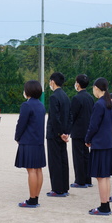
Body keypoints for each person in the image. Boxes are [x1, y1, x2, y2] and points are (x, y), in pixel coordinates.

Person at [86, 77, 112, 215]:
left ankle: (104, 206)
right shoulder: (111, 103)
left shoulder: (99, 104)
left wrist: (88, 139)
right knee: (106, 176)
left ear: (96, 88)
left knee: (101, 177)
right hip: (108, 143)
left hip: (99, 144)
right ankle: (106, 204)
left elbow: (93, 126)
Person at [14, 80, 46, 208]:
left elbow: (21, 123)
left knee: (31, 171)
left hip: (28, 141)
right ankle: (35, 197)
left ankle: (32, 199)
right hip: (38, 141)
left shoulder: (26, 105)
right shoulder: (41, 105)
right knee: (38, 169)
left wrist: (17, 137)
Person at [46, 72, 72, 197]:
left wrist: (59, 133)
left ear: (52, 82)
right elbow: (69, 116)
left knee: (54, 161)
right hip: (64, 133)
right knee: (63, 160)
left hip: (54, 134)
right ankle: (64, 187)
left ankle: (57, 189)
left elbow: (55, 118)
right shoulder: (65, 96)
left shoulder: (54, 97)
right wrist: (66, 132)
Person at [70, 74, 94, 188]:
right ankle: (88, 179)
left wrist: (68, 129)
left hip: (78, 131)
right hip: (87, 130)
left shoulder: (76, 98)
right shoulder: (90, 97)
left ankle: (80, 180)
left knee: (78, 156)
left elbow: (72, 115)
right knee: (86, 155)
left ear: (77, 84)